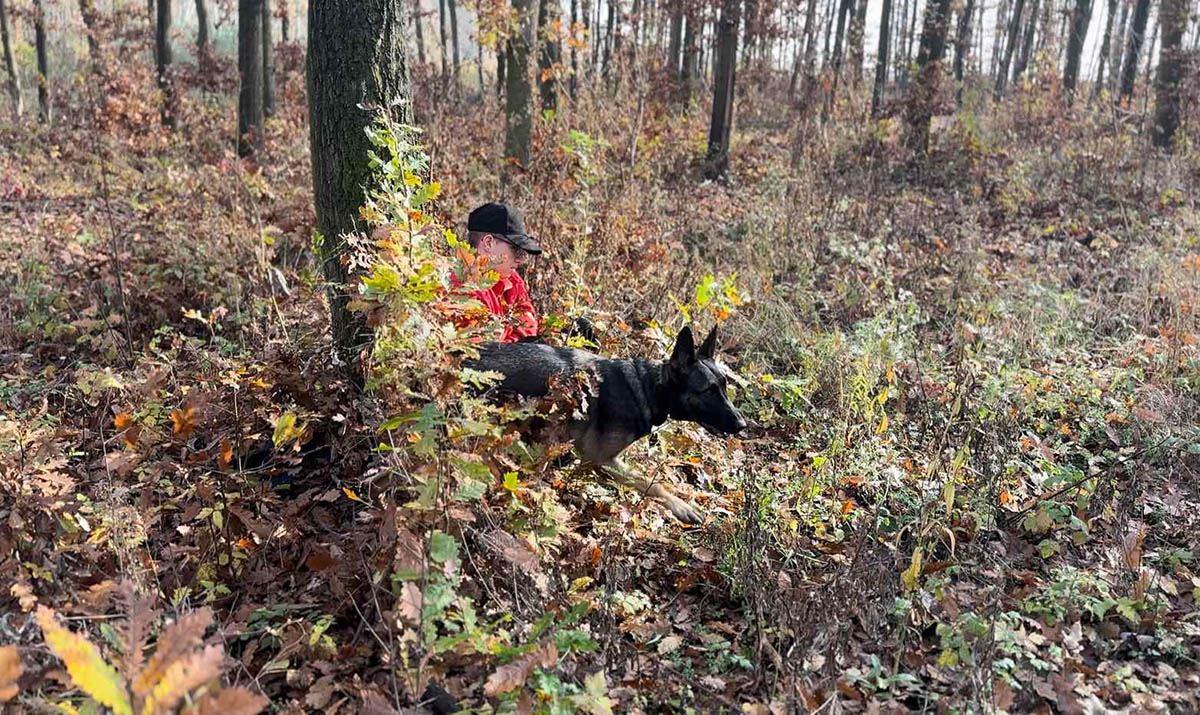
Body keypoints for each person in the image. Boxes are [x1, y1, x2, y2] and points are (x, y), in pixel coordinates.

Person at [453, 202, 541, 343]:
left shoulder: (511, 278)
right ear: (488, 243)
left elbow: (529, 321)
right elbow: (486, 347)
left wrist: (513, 338)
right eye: (516, 249)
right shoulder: (462, 284)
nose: (521, 259)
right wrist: (518, 339)